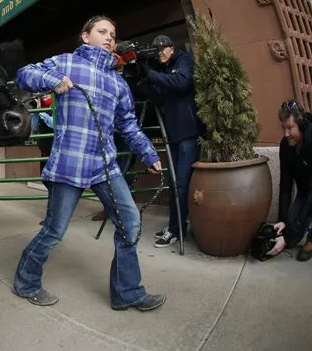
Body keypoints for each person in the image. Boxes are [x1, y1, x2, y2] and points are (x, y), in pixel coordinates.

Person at [11, 15, 166, 311]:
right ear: (85, 36)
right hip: (69, 163)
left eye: (113, 33)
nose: (109, 37)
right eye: (102, 31)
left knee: (130, 222)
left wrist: (148, 152)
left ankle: (127, 292)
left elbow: (128, 125)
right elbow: (23, 74)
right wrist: (52, 80)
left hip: (104, 165)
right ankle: (26, 281)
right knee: (54, 230)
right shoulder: (66, 62)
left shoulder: (118, 82)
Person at [137, 35, 203, 248]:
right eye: (156, 51)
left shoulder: (184, 60)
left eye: (162, 49)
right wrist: (143, 79)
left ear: (172, 48)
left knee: (182, 185)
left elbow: (182, 82)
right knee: (175, 184)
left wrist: (152, 74)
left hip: (188, 135)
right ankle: (175, 227)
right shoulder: (163, 71)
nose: (159, 53)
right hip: (173, 136)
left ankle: (177, 229)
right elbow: (158, 97)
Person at [265, 100, 312, 261]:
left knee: (293, 234)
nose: (286, 133)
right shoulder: (286, 146)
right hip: (305, 190)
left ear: (301, 124)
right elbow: (285, 186)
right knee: (290, 236)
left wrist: (289, 235)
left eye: (290, 128)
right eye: (283, 128)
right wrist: (283, 221)